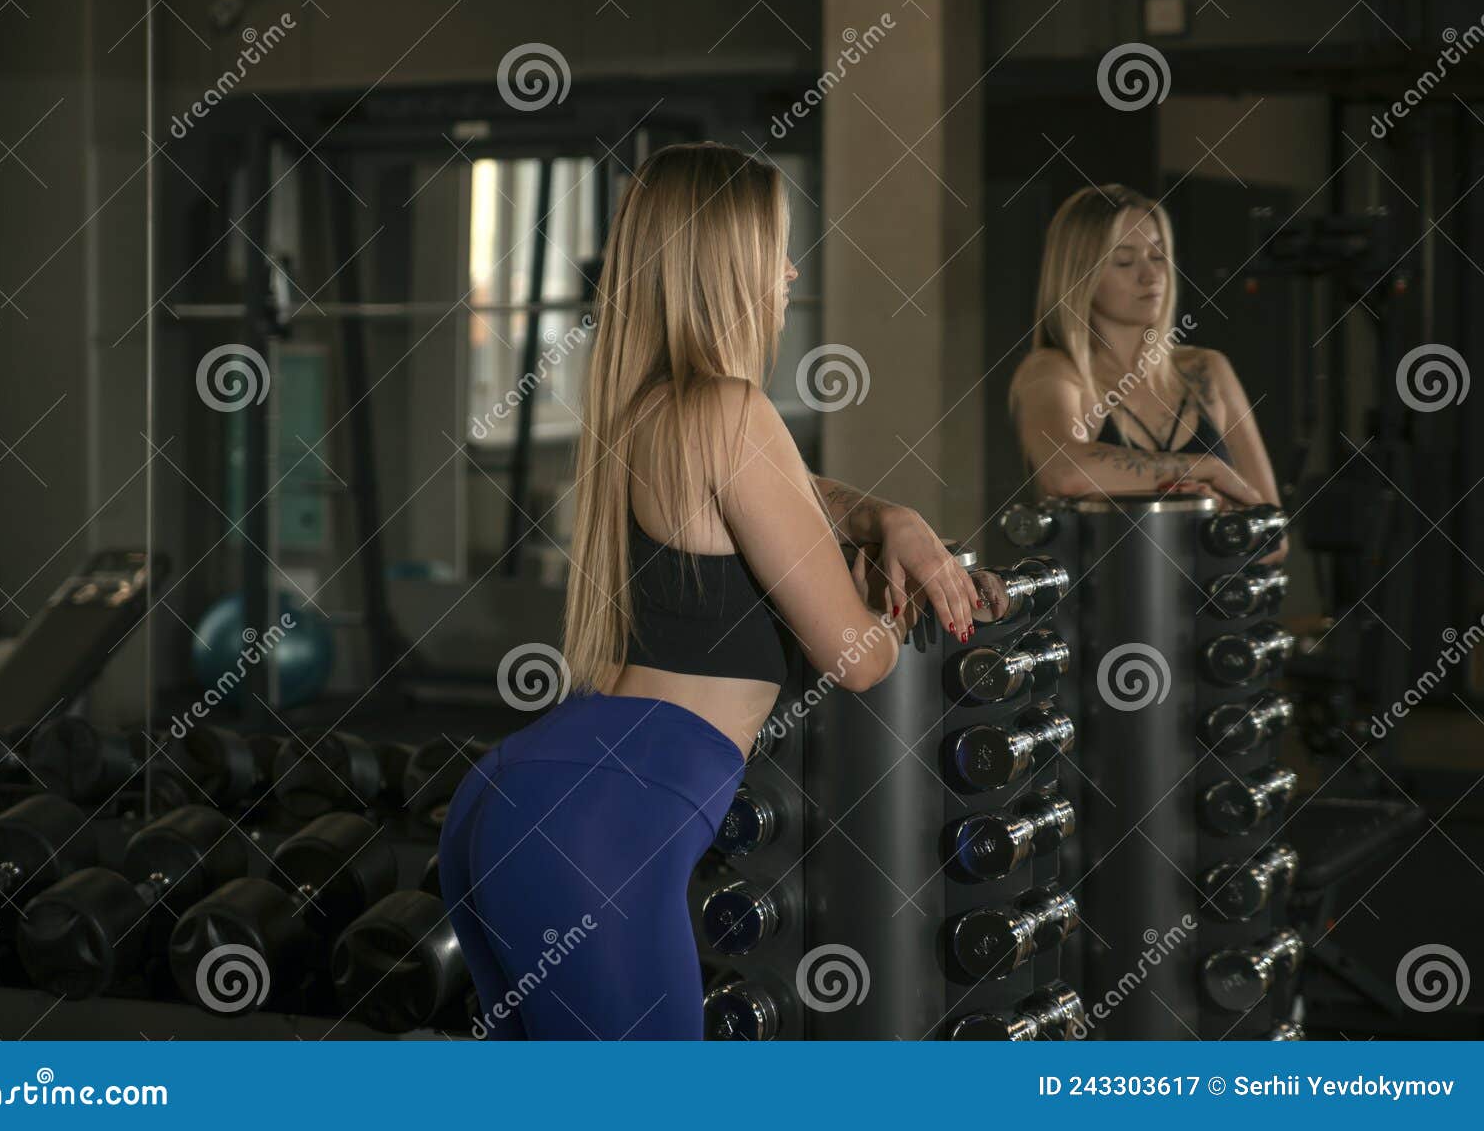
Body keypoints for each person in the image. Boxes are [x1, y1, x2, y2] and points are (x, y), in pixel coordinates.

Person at [438, 142, 1008, 1040]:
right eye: (774, 247)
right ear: (725, 264)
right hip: (600, 828)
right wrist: (901, 604)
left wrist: (884, 522)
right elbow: (855, 662)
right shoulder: (732, 409)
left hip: (519, 800)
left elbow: (804, 504)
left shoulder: (652, 412)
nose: (789, 269)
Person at [1007, 184, 1288, 565]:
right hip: (1109, 618)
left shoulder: (1208, 369)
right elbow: (1065, 470)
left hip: (1215, 615)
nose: (1150, 275)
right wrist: (1205, 469)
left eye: (1158, 256)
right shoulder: (1053, 370)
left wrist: (1214, 510)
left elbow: (1274, 535)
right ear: (1079, 273)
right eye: (1124, 261)